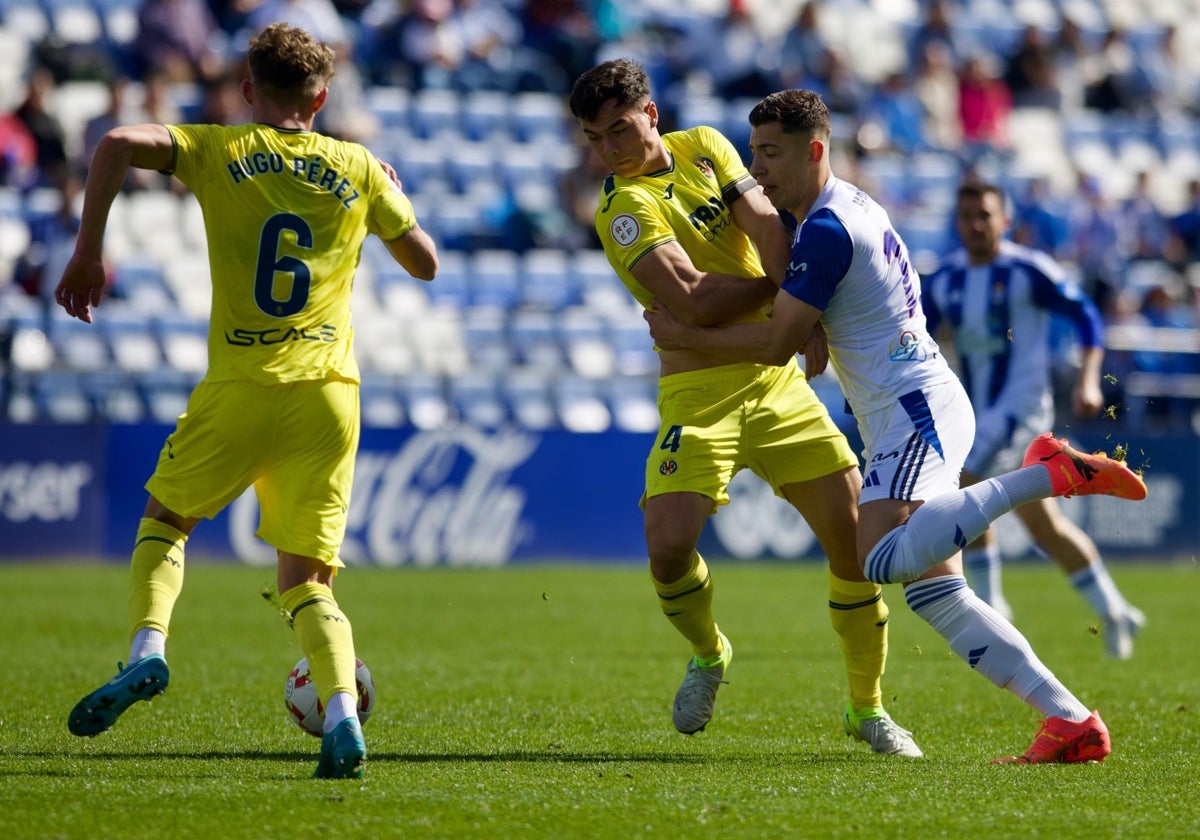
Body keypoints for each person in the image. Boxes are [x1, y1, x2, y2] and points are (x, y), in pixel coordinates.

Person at [644, 88, 1148, 764]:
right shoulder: (843, 207)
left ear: (814, 150)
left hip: (915, 413)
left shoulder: (824, 231)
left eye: (771, 153)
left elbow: (772, 346)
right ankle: (1071, 722)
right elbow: (816, 311)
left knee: (877, 559)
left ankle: (1047, 472)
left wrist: (682, 336)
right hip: (911, 410)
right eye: (753, 152)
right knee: (940, 596)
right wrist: (813, 325)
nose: (757, 170)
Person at [58, 22, 439, 780]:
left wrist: (88, 251)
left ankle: (149, 649)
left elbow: (112, 145)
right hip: (329, 397)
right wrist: (387, 193)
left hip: (240, 385)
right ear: (323, 97)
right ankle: (340, 714)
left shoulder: (219, 148)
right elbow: (425, 264)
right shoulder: (357, 165)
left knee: (167, 523)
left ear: (245, 90)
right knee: (306, 582)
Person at [568, 58, 923, 758]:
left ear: (652, 115)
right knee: (668, 548)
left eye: (619, 129)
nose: (609, 149)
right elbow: (692, 300)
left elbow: (765, 223)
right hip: (698, 396)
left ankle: (868, 709)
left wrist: (796, 300)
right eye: (594, 138)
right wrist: (787, 293)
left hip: (776, 382)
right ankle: (709, 652)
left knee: (855, 546)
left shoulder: (706, 145)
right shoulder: (621, 211)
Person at [922, 179, 1146, 658]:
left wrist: (1089, 379)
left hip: (1022, 409)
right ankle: (1115, 610)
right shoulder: (944, 279)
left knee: (966, 477)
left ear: (1005, 220)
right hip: (975, 411)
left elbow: (1086, 317)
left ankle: (992, 605)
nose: (976, 225)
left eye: (985, 215)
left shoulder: (1030, 270)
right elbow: (914, 333)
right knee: (1045, 527)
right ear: (956, 223)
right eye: (967, 217)